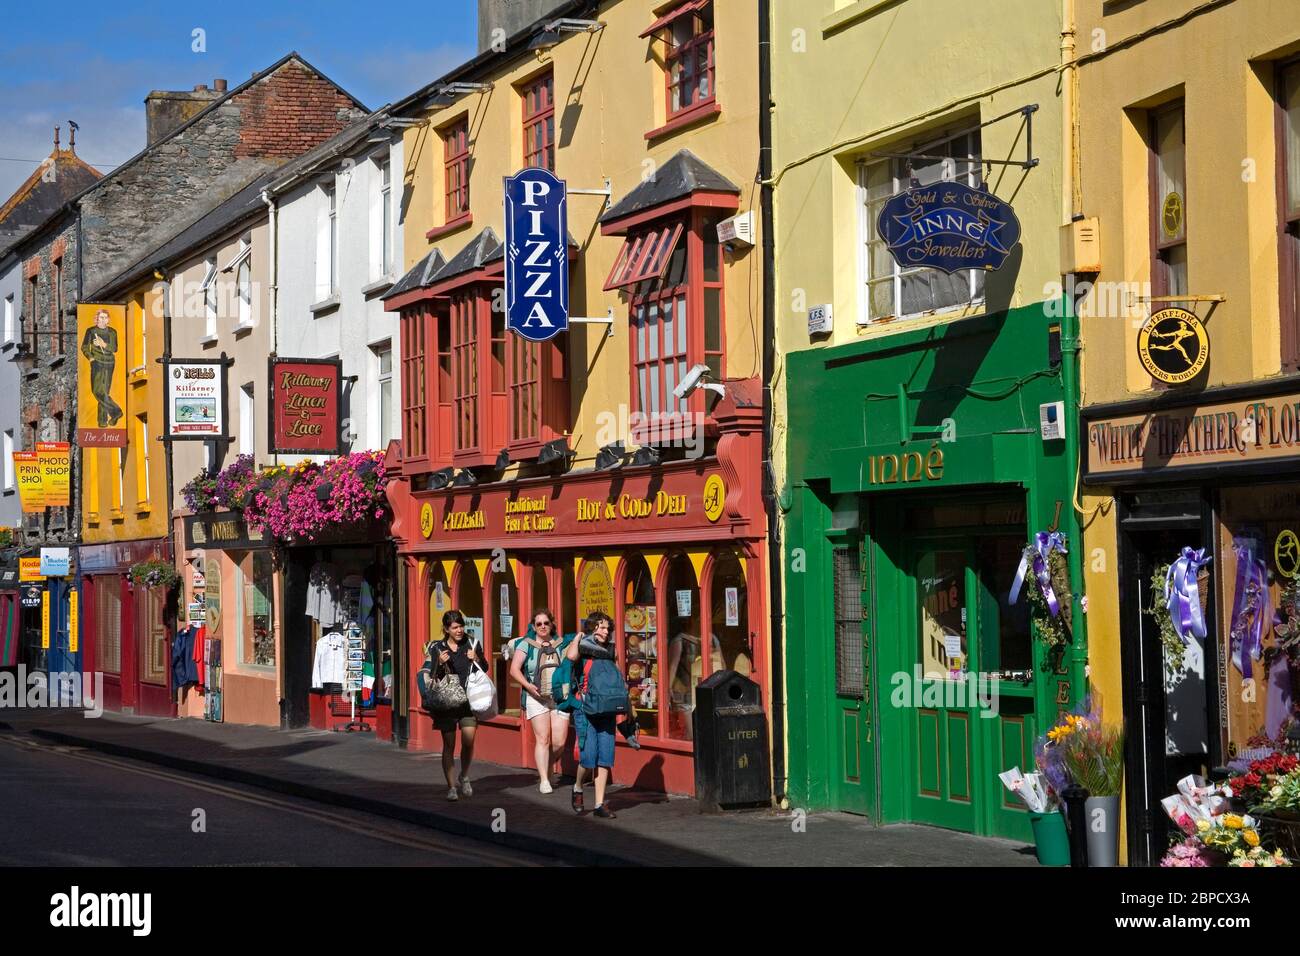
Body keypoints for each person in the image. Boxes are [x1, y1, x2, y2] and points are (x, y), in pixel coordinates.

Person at [509, 608, 574, 794]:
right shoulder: (526, 644)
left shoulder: (561, 643)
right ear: (533, 626)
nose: (543, 626)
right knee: (543, 739)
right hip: (536, 697)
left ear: (552, 624)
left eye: (546, 623)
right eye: (539, 624)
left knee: (560, 742)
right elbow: (514, 670)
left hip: (559, 697)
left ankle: (547, 766)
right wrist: (528, 687)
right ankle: (545, 779)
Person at [566, 611, 621, 818]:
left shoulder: (610, 650)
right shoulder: (583, 648)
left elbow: (617, 678)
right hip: (586, 708)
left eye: (608, 628)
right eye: (601, 627)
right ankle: (578, 787)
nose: (606, 631)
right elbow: (571, 657)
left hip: (606, 709)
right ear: (592, 628)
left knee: (605, 758)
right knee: (588, 758)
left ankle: (599, 805)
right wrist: (579, 637)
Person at [425, 609, 480, 801]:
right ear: (447, 629)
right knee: (449, 744)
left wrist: (477, 659)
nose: (459, 630)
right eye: (455, 627)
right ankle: (451, 787)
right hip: (447, 702)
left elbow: (486, 668)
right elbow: (432, 674)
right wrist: (439, 663)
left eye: (461, 626)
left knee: (468, 741)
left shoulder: (472, 643)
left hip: (468, 702)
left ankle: (464, 775)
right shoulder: (437, 648)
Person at [80, 308, 122, 427]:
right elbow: (84, 347)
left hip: (109, 363)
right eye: (101, 317)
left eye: (105, 317)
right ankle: (116, 412)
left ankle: (102, 422)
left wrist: (102, 344)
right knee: (97, 391)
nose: (103, 320)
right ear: (97, 319)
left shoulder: (112, 332)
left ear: (108, 320)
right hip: (97, 362)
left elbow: (114, 348)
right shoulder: (91, 331)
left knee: (104, 392)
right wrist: (91, 358)